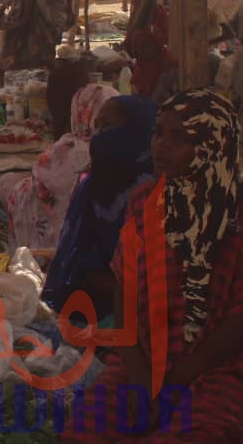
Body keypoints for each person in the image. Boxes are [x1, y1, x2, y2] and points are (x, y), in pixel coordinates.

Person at [65, 90, 243, 443]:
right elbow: (125, 292)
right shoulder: (144, 201)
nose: (160, 146)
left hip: (224, 366)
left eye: (179, 138)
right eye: (158, 133)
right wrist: (143, 379)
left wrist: (174, 382)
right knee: (85, 431)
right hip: (142, 360)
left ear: (213, 144)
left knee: (198, 433)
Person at [42, 95, 157, 322]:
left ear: (139, 128)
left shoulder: (154, 191)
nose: (100, 136)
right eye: (98, 127)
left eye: (110, 126)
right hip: (91, 301)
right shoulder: (93, 184)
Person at [0, 83, 117, 250]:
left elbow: (37, 187)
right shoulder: (123, 148)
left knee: (8, 183)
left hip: (63, 246)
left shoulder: (67, 149)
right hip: (99, 247)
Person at [125, 28, 177, 103]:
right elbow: (135, 90)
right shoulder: (141, 64)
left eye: (145, 45)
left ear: (153, 44)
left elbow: (160, 97)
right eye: (138, 46)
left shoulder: (166, 62)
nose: (142, 50)